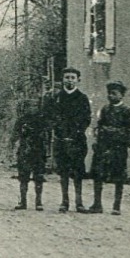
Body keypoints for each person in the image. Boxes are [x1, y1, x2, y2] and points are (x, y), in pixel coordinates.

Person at [46, 68, 93, 213]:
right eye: (67, 77)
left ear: (78, 80)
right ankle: (64, 201)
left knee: (78, 171)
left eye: (73, 77)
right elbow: (51, 116)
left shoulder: (82, 98)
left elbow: (86, 118)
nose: (70, 80)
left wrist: (76, 132)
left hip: (77, 140)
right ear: (63, 79)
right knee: (63, 171)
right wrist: (59, 130)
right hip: (61, 139)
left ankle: (79, 202)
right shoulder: (57, 97)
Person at [89, 81, 130, 214]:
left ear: (121, 96)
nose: (110, 96)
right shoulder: (105, 109)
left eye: (114, 93)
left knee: (119, 176)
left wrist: (113, 133)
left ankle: (116, 206)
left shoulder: (127, 111)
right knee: (98, 174)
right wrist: (98, 136)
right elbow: (99, 127)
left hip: (118, 149)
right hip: (103, 147)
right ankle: (97, 204)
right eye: (109, 93)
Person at [10, 96, 51, 211]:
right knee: (23, 177)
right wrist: (14, 149)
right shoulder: (21, 120)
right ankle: (23, 201)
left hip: (39, 151)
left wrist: (47, 151)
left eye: (34, 106)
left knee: (39, 177)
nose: (31, 109)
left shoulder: (42, 120)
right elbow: (15, 136)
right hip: (25, 151)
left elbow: (47, 137)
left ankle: (39, 202)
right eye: (29, 106)